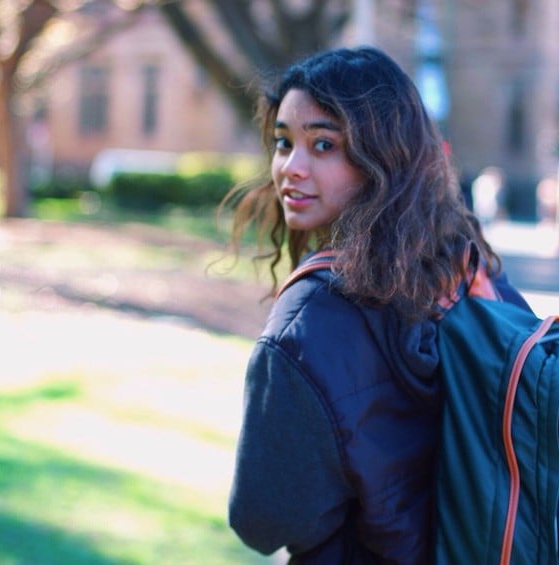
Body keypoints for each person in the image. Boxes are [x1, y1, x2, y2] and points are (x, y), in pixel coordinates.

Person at [226, 46, 530, 564]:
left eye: (323, 144)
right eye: (283, 142)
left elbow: (262, 518)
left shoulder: (308, 320)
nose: (290, 168)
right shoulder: (469, 273)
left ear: (383, 158)